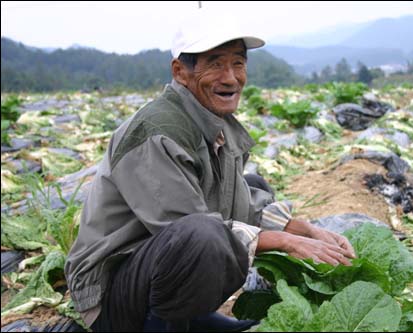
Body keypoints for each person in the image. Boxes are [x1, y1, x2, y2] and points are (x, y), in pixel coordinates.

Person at [64, 9, 356, 333]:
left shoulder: (216, 122)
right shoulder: (157, 131)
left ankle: (191, 319)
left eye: (238, 63)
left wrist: (305, 229)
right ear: (180, 71)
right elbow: (183, 227)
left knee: (252, 186)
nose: (230, 77)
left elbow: (240, 204)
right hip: (110, 294)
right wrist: (286, 243)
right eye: (215, 63)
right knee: (202, 237)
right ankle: (163, 325)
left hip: (153, 269)